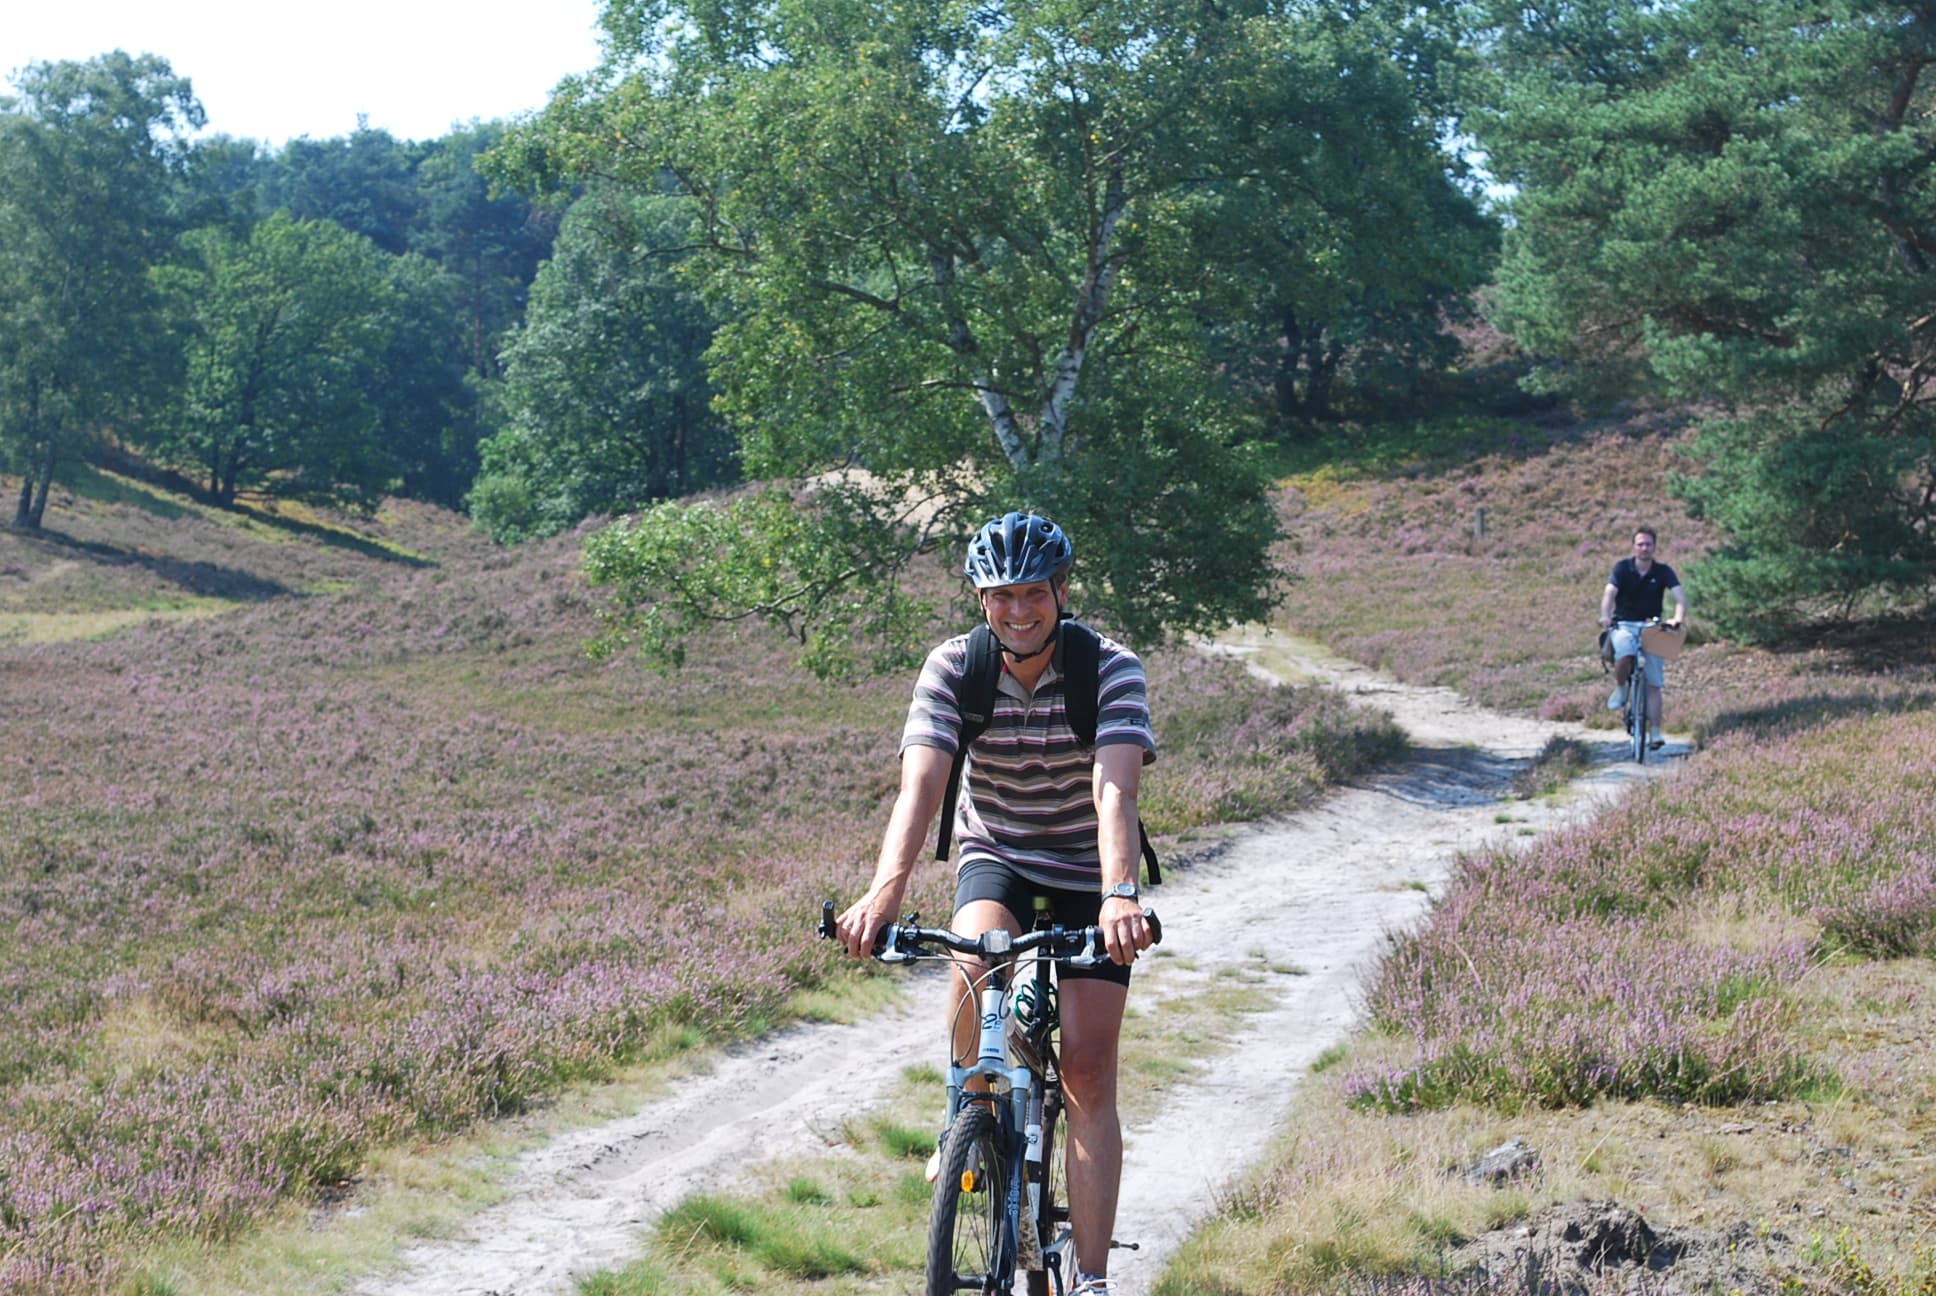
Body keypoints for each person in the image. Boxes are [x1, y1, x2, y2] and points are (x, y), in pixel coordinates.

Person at [835, 510, 1156, 1296]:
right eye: (1001, 595)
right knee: (971, 972)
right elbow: (923, 784)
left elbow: (1114, 786)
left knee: (1085, 1066)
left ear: (1061, 591)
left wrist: (1119, 895)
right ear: (981, 599)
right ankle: (971, 1122)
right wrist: (885, 892)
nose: (1018, 611)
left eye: (1034, 594)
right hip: (999, 855)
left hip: (1087, 867)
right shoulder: (952, 667)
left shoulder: (1111, 668)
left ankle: (1088, 1277)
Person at [1598, 526, 1687, 749]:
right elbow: (1610, 593)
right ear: (1634, 547)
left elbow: (1680, 597)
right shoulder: (1622, 568)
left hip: (1652, 626)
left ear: (1654, 547)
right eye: (1640, 544)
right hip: (1625, 624)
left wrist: (1677, 618)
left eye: (1648, 544)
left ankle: (1655, 732)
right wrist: (1605, 616)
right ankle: (1621, 688)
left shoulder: (1663, 571)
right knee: (1624, 654)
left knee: (1654, 684)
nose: (1644, 548)